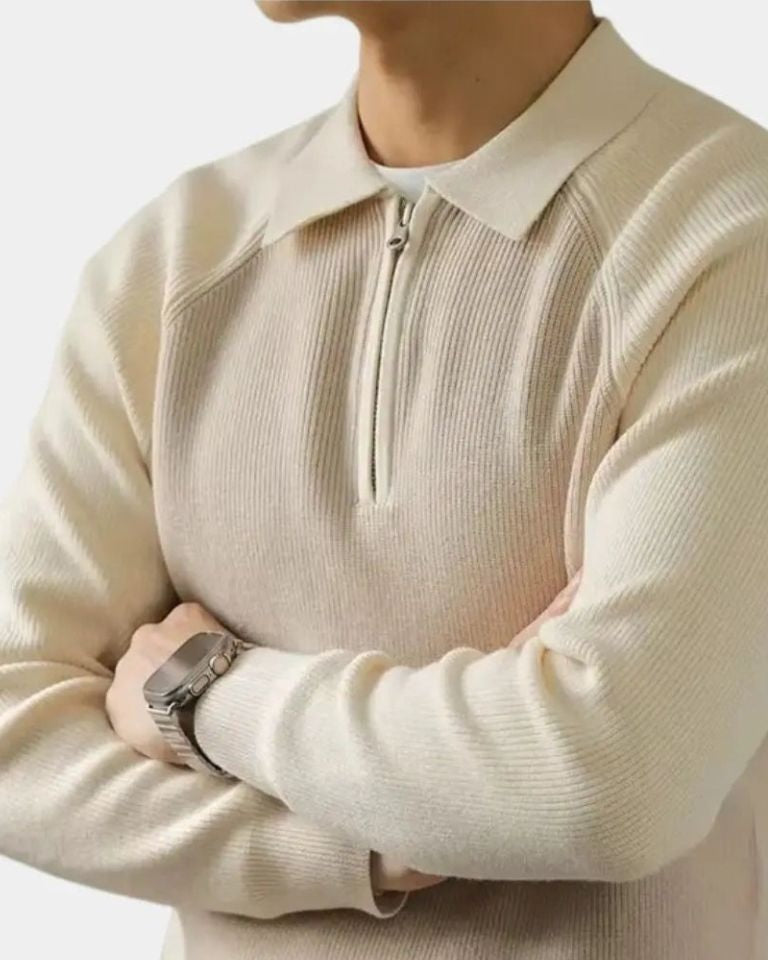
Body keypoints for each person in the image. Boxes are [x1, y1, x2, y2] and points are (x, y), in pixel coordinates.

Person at [1, 1, 768, 958]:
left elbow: (613, 775)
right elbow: (14, 728)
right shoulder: (172, 261)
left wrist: (202, 692)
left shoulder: (726, 235)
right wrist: (355, 848)